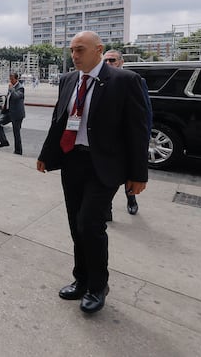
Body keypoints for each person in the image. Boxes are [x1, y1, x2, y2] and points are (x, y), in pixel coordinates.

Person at [36, 31, 149, 314]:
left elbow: (138, 131)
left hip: (105, 165)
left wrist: (138, 174)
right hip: (73, 161)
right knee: (76, 224)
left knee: (90, 223)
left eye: (80, 50)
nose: (74, 56)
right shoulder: (68, 80)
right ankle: (81, 279)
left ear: (99, 49)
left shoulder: (125, 81)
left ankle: (98, 286)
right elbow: (59, 121)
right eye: (72, 50)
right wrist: (46, 156)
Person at [103, 49, 153, 217]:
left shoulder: (134, 80)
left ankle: (131, 199)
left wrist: (144, 138)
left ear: (121, 62)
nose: (109, 63)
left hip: (127, 138)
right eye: (106, 61)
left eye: (112, 60)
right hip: (108, 139)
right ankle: (106, 207)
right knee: (106, 175)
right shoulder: (99, 81)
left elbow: (145, 113)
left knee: (128, 172)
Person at [0, 72, 26, 154]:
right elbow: (8, 98)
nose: (10, 80)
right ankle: (4, 142)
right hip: (8, 112)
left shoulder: (20, 88)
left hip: (17, 114)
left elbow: (16, 97)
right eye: (10, 79)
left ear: (16, 79)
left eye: (12, 79)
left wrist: (12, 89)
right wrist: (4, 107)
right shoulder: (11, 87)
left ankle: (18, 151)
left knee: (16, 133)